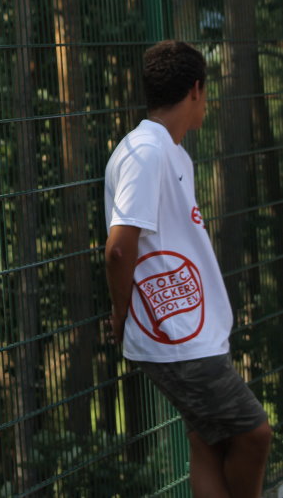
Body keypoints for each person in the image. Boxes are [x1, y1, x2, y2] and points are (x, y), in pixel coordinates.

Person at [104, 40, 272, 498]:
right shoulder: (146, 152)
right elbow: (118, 249)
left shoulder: (172, 153)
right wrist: (121, 314)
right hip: (175, 335)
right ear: (196, 89)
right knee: (254, 433)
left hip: (187, 328)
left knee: (208, 441)